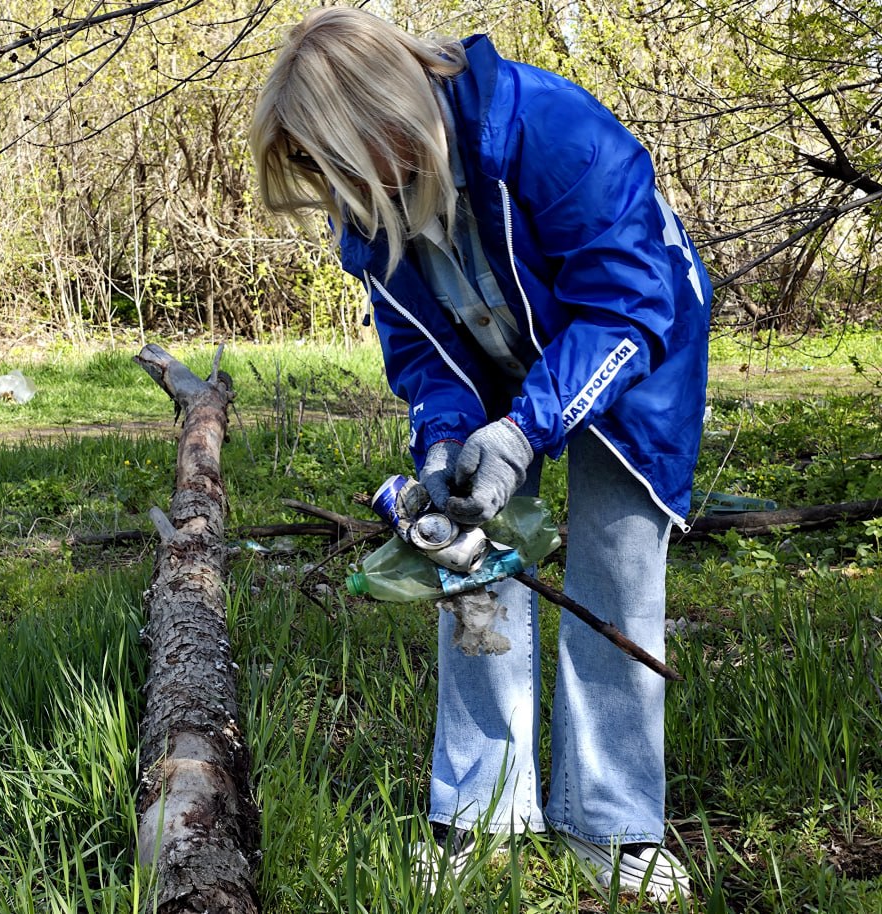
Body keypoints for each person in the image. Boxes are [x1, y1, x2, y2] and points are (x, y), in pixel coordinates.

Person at [250, 7, 710, 901]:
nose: (331, 189)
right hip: (498, 351)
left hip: (629, 350)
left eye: (333, 161)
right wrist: (447, 441)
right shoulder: (371, 207)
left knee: (616, 563)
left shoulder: (556, 132)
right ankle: (479, 812)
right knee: (469, 563)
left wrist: (527, 429)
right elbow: (423, 349)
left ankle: (612, 827)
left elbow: (628, 306)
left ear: (385, 121)